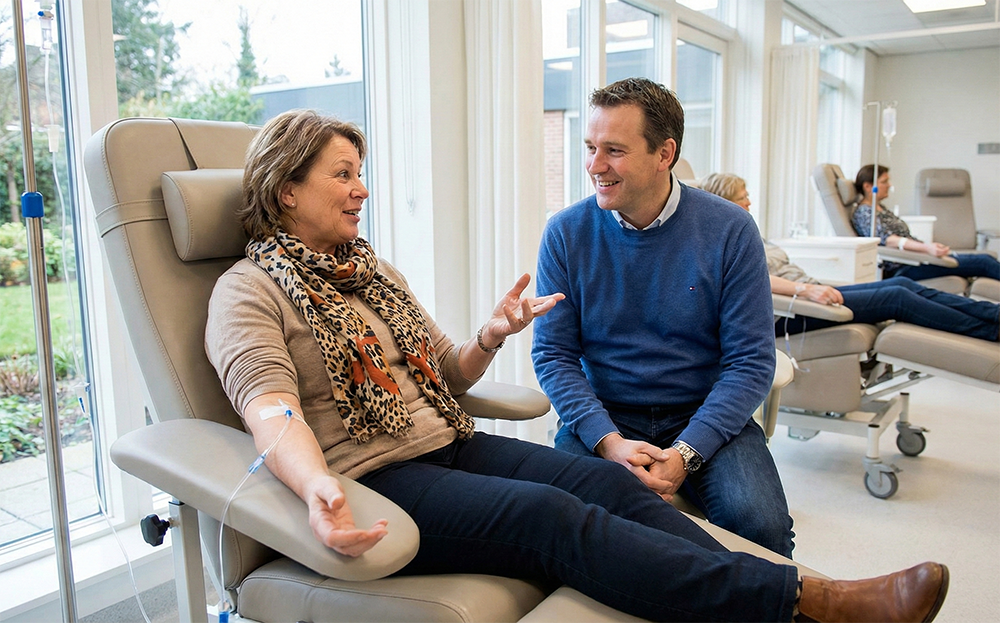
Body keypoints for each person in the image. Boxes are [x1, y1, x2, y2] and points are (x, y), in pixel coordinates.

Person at [203, 109, 949, 623]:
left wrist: (492, 334)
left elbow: (446, 374)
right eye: (343, 174)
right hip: (374, 476)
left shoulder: (370, 273)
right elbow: (269, 406)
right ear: (287, 188)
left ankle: (788, 596)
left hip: (448, 442)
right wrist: (318, 487)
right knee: (549, 516)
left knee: (604, 482)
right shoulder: (248, 290)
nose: (362, 188)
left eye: (360, 171)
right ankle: (807, 604)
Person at [531, 77, 795, 558]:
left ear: (664, 154)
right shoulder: (565, 233)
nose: (594, 165)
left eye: (614, 150)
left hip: (704, 409)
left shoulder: (730, 229)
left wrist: (686, 453)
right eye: (590, 147)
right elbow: (553, 354)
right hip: (605, 413)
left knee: (761, 529)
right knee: (575, 532)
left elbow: (752, 361)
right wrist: (607, 441)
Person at [700, 173, 1000, 342]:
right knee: (896, 297)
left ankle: (992, 315)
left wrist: (812, 287)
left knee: (903, 286)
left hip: (812, 294)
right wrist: (806, 290)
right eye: (743, 197)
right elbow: (750, 281)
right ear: (724, 202)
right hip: (791, 311)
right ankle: (990, 331)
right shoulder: (719, 240)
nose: (750, 201)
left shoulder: (746, 230)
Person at [851, 164, 1000, 282]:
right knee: (984, 262)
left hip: (918, 259)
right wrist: (927, 248)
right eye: (884, 182)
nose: (889, 185)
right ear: (868, 186)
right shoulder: (864, 212)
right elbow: (888, 240)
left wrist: (929, 248)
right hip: (905, 267)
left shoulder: (880, 208)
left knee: (986, 260)